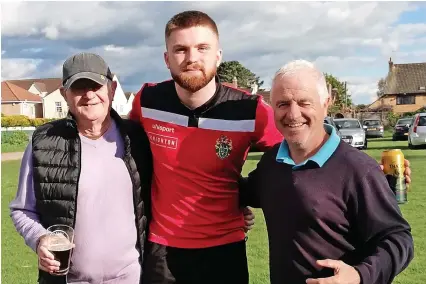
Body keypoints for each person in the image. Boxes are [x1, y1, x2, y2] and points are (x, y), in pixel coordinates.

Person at [129, 10, 283, 284]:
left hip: (224, 251)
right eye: (180, 49)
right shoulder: (147, 101)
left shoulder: (250, 110)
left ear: (218, 55)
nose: (192, 58)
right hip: (162, 249)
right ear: (167, 59)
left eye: (202, 48)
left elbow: (289, 155)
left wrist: (246, 192)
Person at [240, 60, 414, 284]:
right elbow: (243, 192)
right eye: (283, 104)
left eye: (304, 103)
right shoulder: (272, 162)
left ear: (326, 103)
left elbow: (399, 239)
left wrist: (359, 275)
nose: (293, 114)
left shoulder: (358, 169)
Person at [9, 52, 153, 284]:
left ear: (112, 89)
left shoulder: (138, 138)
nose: (88, 95)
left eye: (96, 86)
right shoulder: (42, 142)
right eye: (78, 88)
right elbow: (21, 209)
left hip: (131, 278)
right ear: (65, 94)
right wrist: (40, 239)